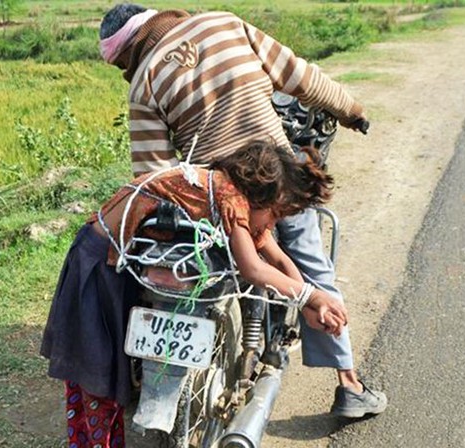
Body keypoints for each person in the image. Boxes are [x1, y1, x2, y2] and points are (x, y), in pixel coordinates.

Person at [99, 4, 387, 418]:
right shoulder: (224, 24)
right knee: (309, 260)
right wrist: (352, 110)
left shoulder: (143, 83)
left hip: (217, 199)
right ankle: (349, 383)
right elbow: (300, 78)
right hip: (277, 181)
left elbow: (156, 178)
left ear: (128, 54)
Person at [41, 140, 350, 447]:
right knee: (96, 375)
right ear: (261, 195)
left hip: (120, 264)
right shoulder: (230, 197)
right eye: (274, 215)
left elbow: (279, 258)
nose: (271, 224)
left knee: (110, 374)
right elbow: (254, 269)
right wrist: (311, 296)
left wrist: (307, 304)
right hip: (97, 263)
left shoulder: (229, 192)